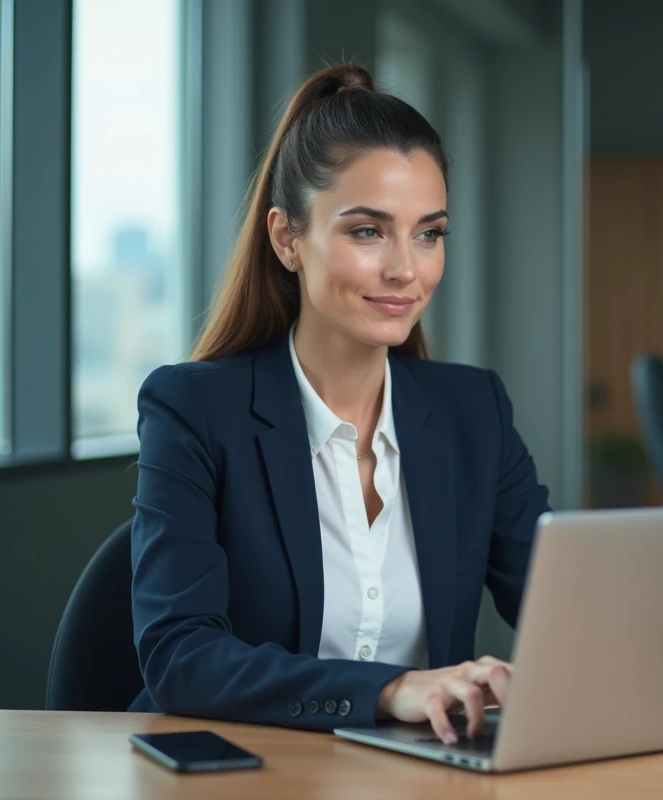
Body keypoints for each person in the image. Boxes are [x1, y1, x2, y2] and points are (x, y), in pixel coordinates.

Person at [128, 64, 550, 746]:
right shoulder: (194, 409)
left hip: (418, 780)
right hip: (244, 778)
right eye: (367, 232)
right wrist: (389, 689)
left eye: (429, 233)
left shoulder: (475, 413)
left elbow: (570, 613)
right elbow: (180, 656)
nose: (406, 270)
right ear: (287, 238)